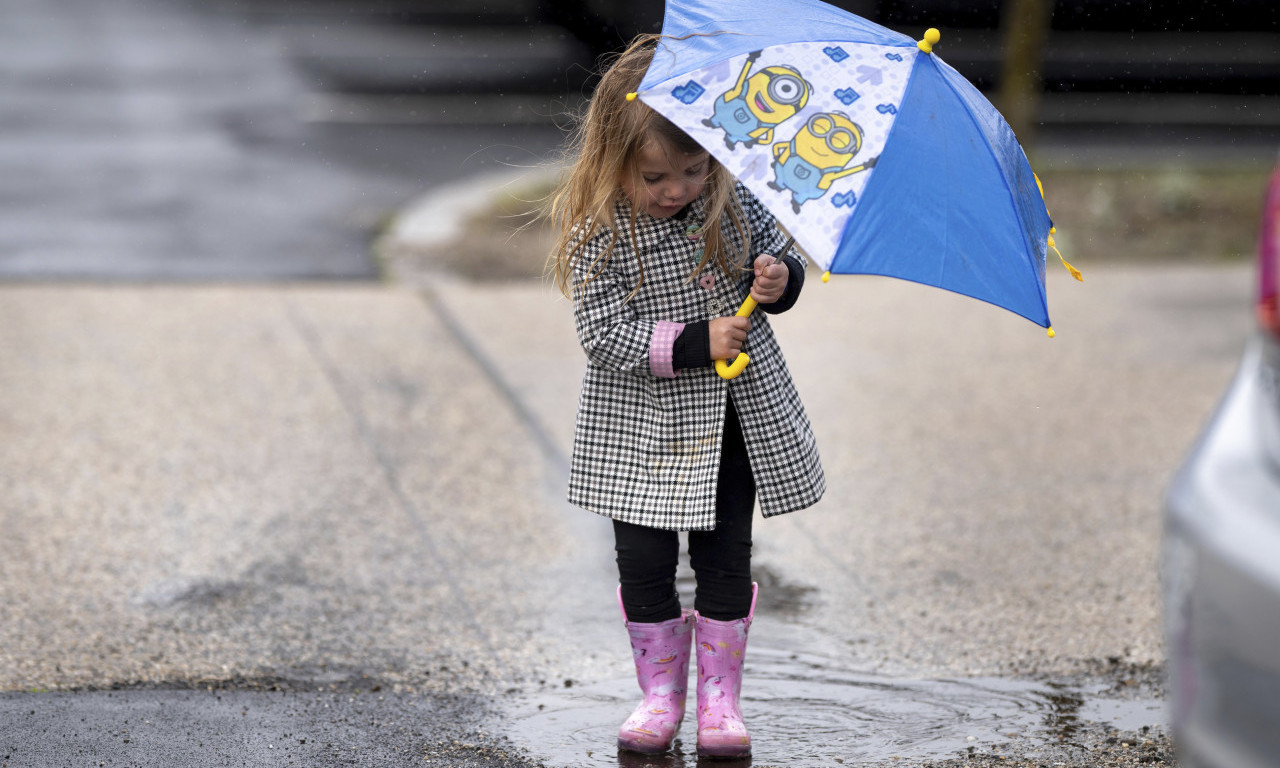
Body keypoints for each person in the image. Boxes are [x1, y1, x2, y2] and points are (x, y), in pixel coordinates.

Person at [547, 34, 825, 759]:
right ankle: (661, 693)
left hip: (730, 418)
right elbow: (602, 333)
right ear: (614, 162)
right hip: (638, 425)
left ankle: (719, 701)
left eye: (693, 169)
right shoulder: (600, 235)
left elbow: (784, 265)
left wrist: (777, 281)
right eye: (655, 177)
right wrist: (698, 341)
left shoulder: (733, 206)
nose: (677, 190)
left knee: (726, 557)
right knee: (642, 560)